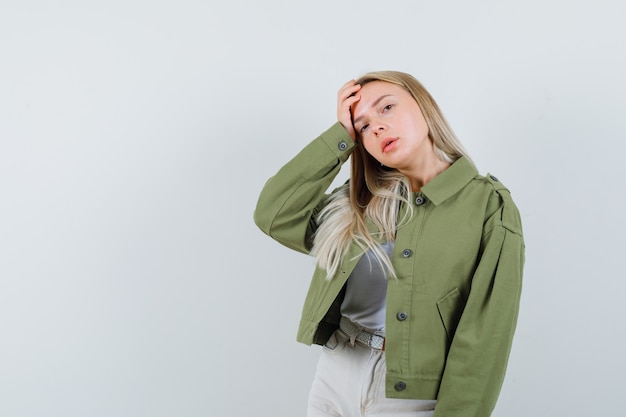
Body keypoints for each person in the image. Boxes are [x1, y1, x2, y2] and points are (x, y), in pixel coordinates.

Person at [253, 71, 524, 417]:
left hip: (413, 397)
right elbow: (273, 214)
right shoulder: (357, 202)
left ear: (424, 107)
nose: (377, 127)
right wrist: (342, 136)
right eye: (363, 126)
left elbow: (484, 339)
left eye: (387, 108)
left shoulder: (489, 207)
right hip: (335, 376)